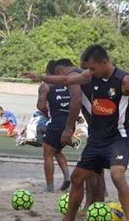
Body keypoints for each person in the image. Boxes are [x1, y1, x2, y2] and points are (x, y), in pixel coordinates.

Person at [23, 44, 129, 221]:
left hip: (118, 139)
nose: (88, 72)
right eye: (86, 69)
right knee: (77, 178)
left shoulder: (125, 81)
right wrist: (40, 77)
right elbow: (66, 81)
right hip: (96, 140)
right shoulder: (88, 76)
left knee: (117, 175)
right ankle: (68, 218)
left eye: (91, 68)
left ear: (104, 62)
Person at [37, 59, 82, 192]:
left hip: (57, 121)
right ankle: (67, 176)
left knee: (47, 153)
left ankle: (50, 187)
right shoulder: (69, 82)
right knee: (56, 150)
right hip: (70, 122)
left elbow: (40, 106)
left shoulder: (45, 86)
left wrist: (47, 112)